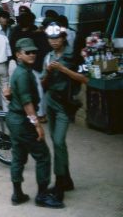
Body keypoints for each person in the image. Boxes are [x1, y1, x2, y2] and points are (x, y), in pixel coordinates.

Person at [5, 38, 64, 209]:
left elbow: (14, 94)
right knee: (43, 156)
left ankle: (17, 194)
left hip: (15, 119)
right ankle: (42, 195)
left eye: (34, 52)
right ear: (18, 54)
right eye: (27, 52)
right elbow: (27, 103)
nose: (32, 55)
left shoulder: (22, 71)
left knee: (18, 156)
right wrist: (37, 124)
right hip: (22, 120)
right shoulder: (23, 73)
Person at [41, 23, 88, 202]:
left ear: (63, 38)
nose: (54, 42)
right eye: (50, 39)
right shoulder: (48, 57)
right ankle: (67, 179)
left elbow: (85, 78)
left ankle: (60, 182)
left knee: (59, 142)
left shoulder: (74, 56)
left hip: (65, 103)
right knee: (56, 142)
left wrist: (63, 69)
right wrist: (47, 73)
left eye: (57, 38)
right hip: (51, 102)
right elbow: (43, 85)